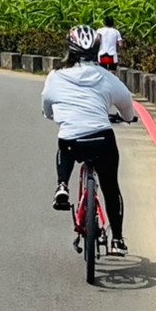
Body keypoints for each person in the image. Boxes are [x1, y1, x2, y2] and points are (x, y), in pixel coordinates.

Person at [44, 23, 135, 253]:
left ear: (70, 49)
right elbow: (126, 105)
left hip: (72, 140)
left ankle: (62, 185)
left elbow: (47, 104)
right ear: (95, 50)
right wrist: (127, 117)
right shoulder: (107, 77)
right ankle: (117, 241)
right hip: (102, 139)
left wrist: (52, 115)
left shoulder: (56, 76)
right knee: (111, 188)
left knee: (64, 145)